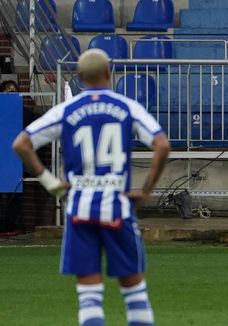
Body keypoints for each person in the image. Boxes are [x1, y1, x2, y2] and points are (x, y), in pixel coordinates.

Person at [12, 49, 170, 325]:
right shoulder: (126, 107)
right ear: (109, 74)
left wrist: (51, 183)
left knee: (89, 295)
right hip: (116, 208)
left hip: (80, 209)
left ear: (80, 77)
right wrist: (146, 189)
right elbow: (162, 144)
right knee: (134, 290)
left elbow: (21, 144)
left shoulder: (67, 109)